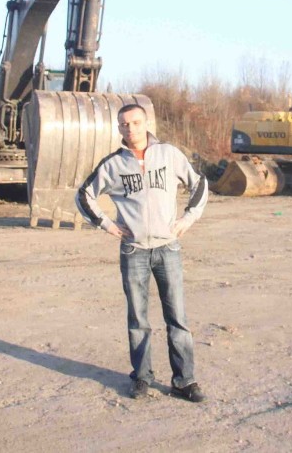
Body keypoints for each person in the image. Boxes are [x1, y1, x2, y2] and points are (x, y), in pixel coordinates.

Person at [75, 103, 209, 402]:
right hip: (133, 251)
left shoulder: (169, 155)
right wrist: (106, 224)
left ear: (146, 123)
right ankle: (142, 377)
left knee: (177, 318)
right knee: (138, 319)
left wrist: (188, 219)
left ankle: (184, 381)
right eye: (124, 124)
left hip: (167, 248)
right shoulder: (112, 164)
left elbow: (199, 184)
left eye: (135, 122)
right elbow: (84, 194)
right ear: (119, 128)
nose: (130, 129)